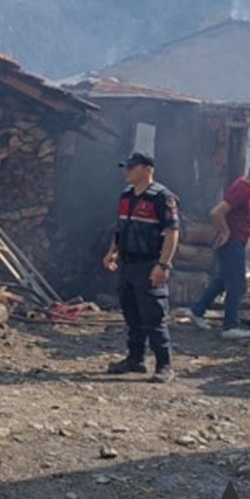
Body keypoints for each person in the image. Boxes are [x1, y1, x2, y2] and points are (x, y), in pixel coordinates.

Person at [102, 152, 181, 383]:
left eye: (132, 168)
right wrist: (112, 251)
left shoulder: (163, 198)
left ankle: (164, 365)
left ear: (147, 170)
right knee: (132, 314)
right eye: (126, 167)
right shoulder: (126, 196)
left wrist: (163, 264)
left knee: (153, 316)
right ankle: (135, 359)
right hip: (127, 263)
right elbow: (121, 228)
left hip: (149, 263)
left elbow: (172, 233)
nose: (126, 172)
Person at [178, 158, 250, 340]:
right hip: (232, 242)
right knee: (237, 284)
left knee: (222, 279)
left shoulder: (249, 189)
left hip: (237, 241)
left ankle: (197, 310)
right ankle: (230, 326)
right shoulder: (243, 189)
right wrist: (225, 231)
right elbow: (216, 212)